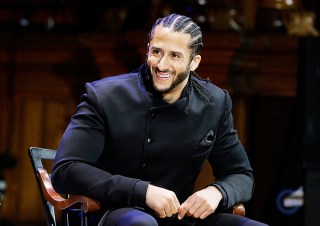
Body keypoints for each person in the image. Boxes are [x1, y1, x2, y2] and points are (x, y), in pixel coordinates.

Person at [52, 13, 268, 226]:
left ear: (194, 62)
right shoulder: (105, 96)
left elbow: (241, 175)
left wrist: (217, 192)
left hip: (178, 217)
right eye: (156, 52)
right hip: (111, 212)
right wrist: (142, 191)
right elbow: (66, 170)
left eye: (175, 56)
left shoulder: (214, 102)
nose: (162, 65)